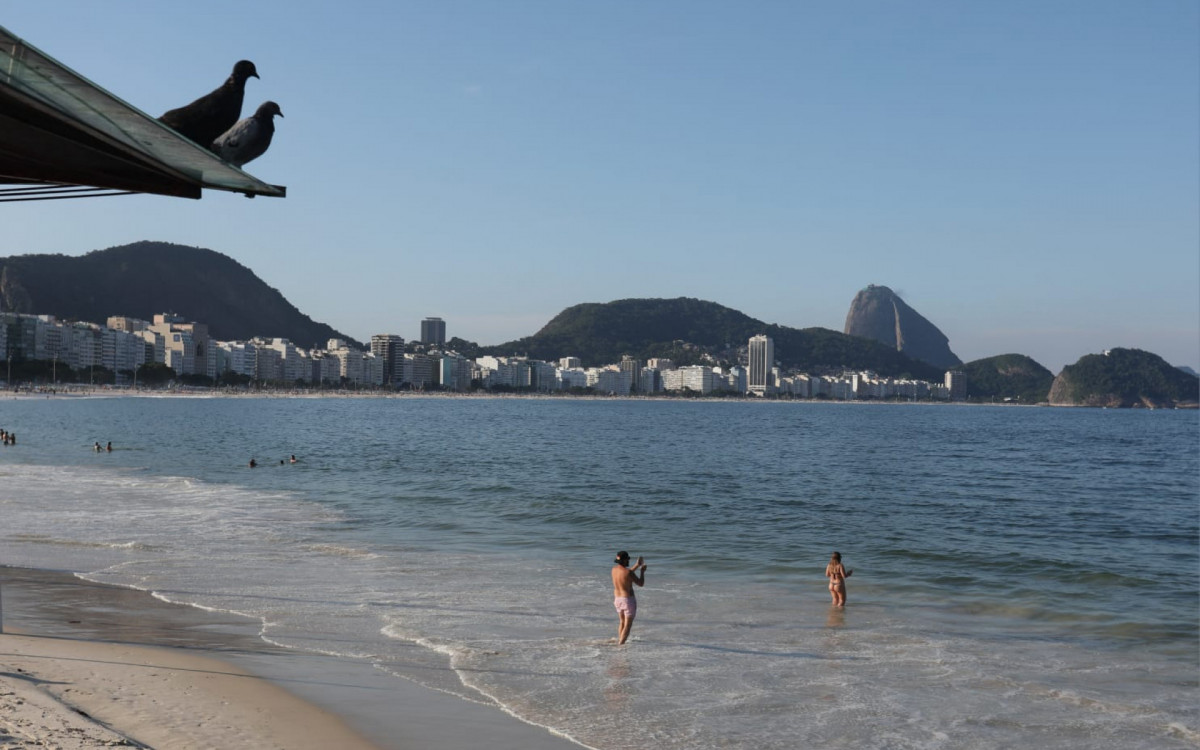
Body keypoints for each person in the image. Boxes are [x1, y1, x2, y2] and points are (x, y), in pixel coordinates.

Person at [611, 551, 646, 645]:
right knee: (627, 625)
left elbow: (626, 575)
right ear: (625, 560)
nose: (628, 561)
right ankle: (620, 645)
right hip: (628, 600)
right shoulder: (628, 572)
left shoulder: (614, 570)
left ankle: (620, 640)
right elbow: (640, 583)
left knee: (622, 622)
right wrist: (642, 571)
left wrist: (637, 565)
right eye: (628, 559)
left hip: (617, 599)